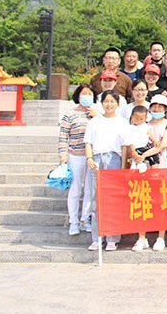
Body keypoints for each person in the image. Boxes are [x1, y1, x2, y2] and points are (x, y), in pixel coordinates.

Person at [83, 90, 128, 251]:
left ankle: (113, 238)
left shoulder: (122, 122)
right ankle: (97, 237)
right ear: (101, 103)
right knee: (96, 200)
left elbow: (124, 147)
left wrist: (123, 166)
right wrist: (89, 159)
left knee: (113, 199)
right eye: (106, 101)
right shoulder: (94, 122)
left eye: (112, 101)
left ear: (117, 104)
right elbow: (88, 142)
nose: (109, 104)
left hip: (114, 159)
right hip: (96, 160)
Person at [58, 83, 99, 236]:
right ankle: (73, 222)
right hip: (75, 156)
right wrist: (63, 157)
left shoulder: (97, 114)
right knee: (75, 190)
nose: (87, 97)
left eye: (90, 94)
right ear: (78, 96)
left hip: (93, 157)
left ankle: (85, 219)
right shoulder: (70, 114)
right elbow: (63, 137)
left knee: (90, 190)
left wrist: (98, 116)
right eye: (84, 94)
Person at [124, 105, 163, 252]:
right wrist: (134, 153)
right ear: (132, 117)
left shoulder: (146, 127)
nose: (139, 121)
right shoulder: (130, 129)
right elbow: (131, 145)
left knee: (154, 158)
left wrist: (156, 142)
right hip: (138, 151)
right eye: (137, 118)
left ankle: (155, 172)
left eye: (142, 118)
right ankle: (142, 238)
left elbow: (152, 137)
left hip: (147, 149)